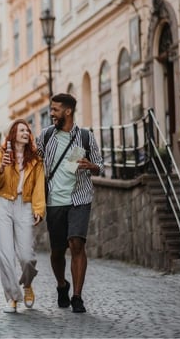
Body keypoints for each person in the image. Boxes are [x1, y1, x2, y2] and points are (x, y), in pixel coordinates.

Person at [36, 93, 103, 313]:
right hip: (54, 200)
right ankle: (62, 285)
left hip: (79, 198)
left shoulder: (85, 137)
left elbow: (100, 166)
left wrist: (90, 166)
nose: (51, 113)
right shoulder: (45, 136)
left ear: (68, 112)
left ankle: (77, 296)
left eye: (55, 110)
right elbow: (32, 162)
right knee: (57, 251)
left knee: (77, 243)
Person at [0, 119, 45, 313]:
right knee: (5, 254)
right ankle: (12, 296)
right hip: (2, 203)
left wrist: (39, 209)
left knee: (27, 256)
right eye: (21, 130)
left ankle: (27, 284)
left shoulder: (35, 160)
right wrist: (2, 168)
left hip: (24, 204)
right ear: (12, 134)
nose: (25, 133)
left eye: (27, 130)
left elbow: (39, 187)